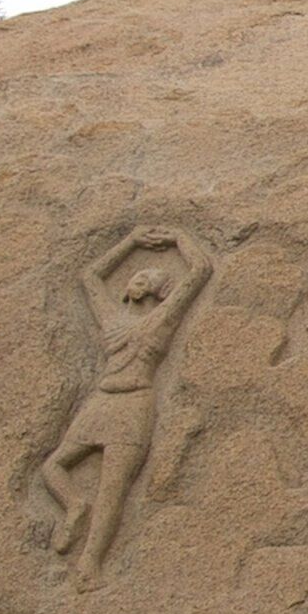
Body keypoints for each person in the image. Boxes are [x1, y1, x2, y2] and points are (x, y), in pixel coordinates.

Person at [45, 226, 213, 580]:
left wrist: (174, 239)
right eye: (136, 275)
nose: (135, 279)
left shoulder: (160, 321)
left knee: (112, 489)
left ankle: (90, 563)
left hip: (132, 403)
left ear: (154, 291)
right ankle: (74, 505)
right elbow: (90, 276)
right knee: (53, 467)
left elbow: (199, 272)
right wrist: (133, 241)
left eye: (144, 277)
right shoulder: (114, 321)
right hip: (104, 399)